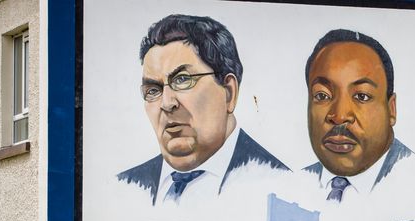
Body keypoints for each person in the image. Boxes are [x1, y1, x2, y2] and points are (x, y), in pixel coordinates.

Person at [118, 15, 289, 205]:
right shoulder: (123, 188)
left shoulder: (282, 186)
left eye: (182, 80)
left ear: (229, 93)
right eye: (153, 90)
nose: (166, 103)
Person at [303, 29, 415, 203]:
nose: (340, 116)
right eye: (322, 96)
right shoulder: (290, 185)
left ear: (391, 109)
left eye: (361, 96)